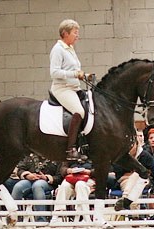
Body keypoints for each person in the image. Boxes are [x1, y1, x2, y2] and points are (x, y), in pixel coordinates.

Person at [50, 19, 87, 161]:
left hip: (74, 87)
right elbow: (54, 72)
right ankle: (71, 148)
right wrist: (74, 74)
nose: (77, 36)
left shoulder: (70, 48)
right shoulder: (58, 49)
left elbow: (74, 69)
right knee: (79, 111)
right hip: (62, 89)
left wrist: (84, 75)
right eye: (75, 33)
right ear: (65, 33)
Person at [11, 154, 62, 222]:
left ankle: (41, 220)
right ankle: (16, 218)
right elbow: (20, 169)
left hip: (47, 182)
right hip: (30, 180)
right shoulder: (30, 154)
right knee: (18, 187)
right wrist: (27, 175)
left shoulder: (56, 156)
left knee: (37, 186)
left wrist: (46, 177)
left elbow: (60, 177)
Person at [50, 159, 94, 223]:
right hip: (72, 177)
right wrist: (68, 170)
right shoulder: (70, 152)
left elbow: (101, 169)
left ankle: (85, 216)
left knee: (80, 185)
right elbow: (62, 168)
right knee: (64, 186)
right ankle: (56, 215)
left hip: (88, 178)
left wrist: (89, 172)